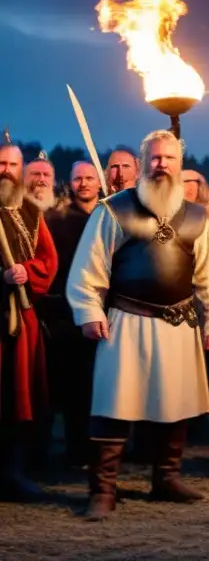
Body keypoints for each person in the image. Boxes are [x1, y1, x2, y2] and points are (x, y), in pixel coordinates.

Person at [67, 130, 209, 520]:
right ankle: (103, 489)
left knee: (175, 403)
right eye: (155, 158)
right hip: (126, 322)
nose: (162, 165)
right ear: (142, 164)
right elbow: (89, 267)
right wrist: (88, 311)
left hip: (179, 324)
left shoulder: (195, 216)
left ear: (179, 164)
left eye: (169, 158)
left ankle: (165, 478)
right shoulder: (114, 209)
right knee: (113, 405)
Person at [0, 135, 58, 500]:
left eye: (12, 166)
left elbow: (48, 261)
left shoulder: (32, 212)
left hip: (20, 321)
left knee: (18, 397)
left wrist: (26, 271)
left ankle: (13, 471)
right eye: (0, 164)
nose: (5, 172)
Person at [37, 161, 103, 468]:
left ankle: (100, 449)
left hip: (105, 311)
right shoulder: (56, 219)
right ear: (70, 182)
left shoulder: (109, 217)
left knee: (99, 385)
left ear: (99, 182)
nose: (84, 183)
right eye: (78, 178)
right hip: (66, 312)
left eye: (90, 177)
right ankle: (73, 449)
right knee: (73, 386)